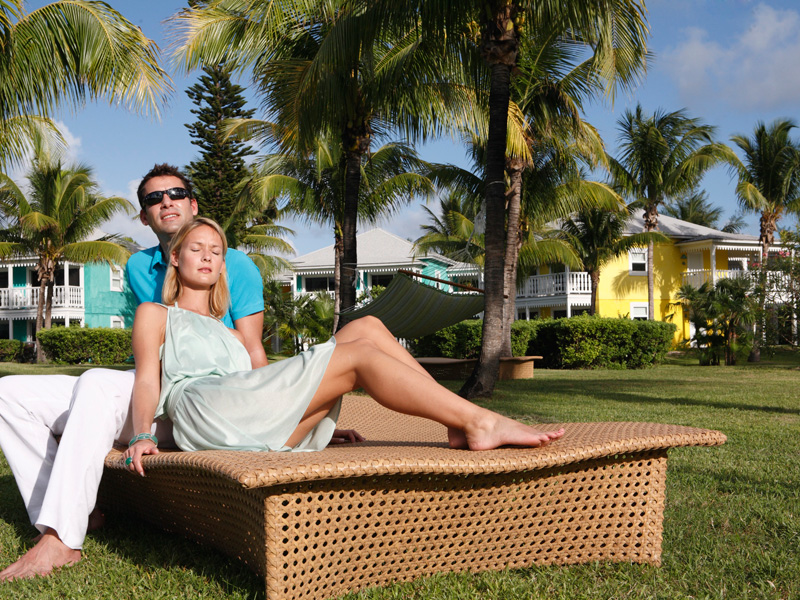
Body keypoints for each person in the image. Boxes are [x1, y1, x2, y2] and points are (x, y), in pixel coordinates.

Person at [122, 218, 564, 474]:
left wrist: (314, 410)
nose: (206, 256)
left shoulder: (234, 334)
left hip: (248, 415)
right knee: (357, 356)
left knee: (367, 326)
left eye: (216, 251)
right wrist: (142, 434)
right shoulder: (156, 314)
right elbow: (146, 380)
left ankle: (455, 418)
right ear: (175, 258)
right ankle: (478, 421)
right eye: (196, 249)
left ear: (223, 265)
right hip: (202, 409)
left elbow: (258, 388)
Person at [0, 164, 270, 581]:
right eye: (154, 198)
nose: (167, 202)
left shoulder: (235, 264)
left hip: (198, 403)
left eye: (176, 194)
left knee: (97, 382)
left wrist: (280, 410)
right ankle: (76, 512)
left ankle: (61, 539)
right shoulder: (138, 267)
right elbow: (153, 352)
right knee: (9, 393)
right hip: (151, 388)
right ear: (144, 216)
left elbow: (252, 349)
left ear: (193, 204)